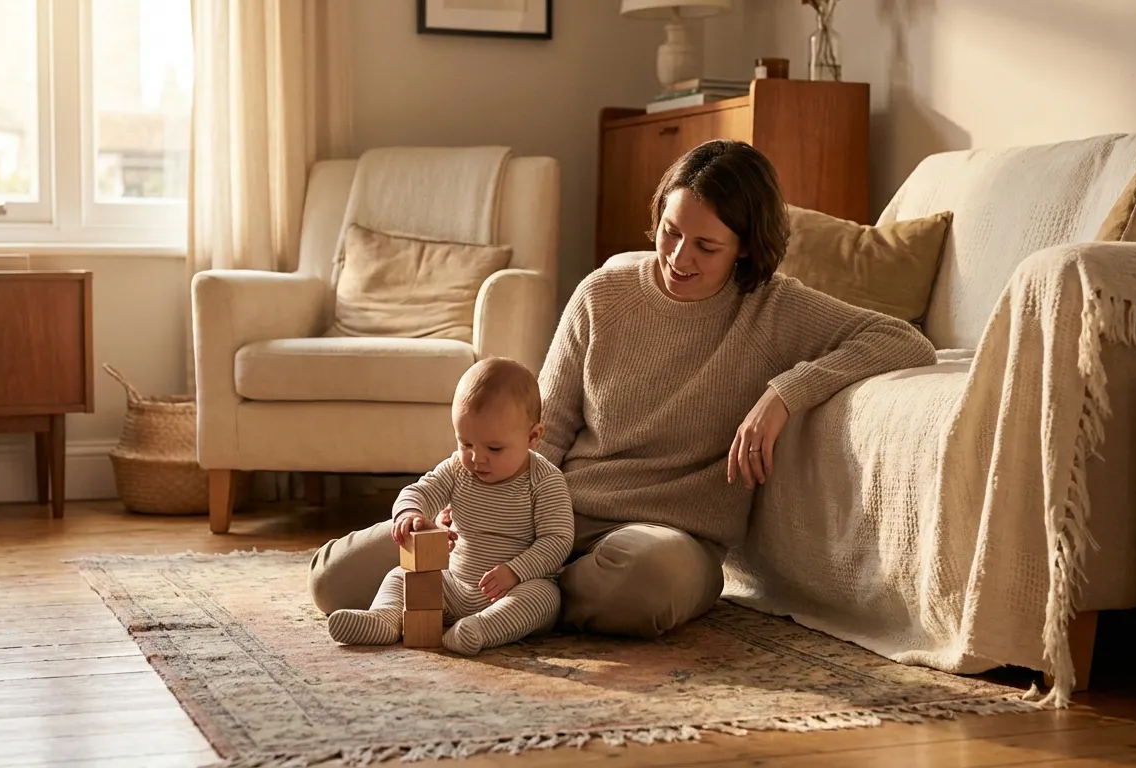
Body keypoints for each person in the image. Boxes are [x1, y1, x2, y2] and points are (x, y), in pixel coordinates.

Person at [309, 139, 937, 639]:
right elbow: (546, 426)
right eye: (670, 231)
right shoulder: (603, 293)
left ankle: (531, 598)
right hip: (556, 514)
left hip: (669, 538)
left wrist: (784, 393)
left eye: (707, 246)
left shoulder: (775, 308)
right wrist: (491, 510)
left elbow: (902, 340)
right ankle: (523, 595)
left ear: (747, 250)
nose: (678, 257)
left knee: (647, 587)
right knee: (336, 582)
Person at [325, 357, 573, 655]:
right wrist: (411, 514)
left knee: (545, 597)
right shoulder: (458, 469)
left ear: (533, 437)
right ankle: (386, 618)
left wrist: (515, 572)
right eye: (465, 443)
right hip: (452, 586)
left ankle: (481, 629)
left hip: (511, 591)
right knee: (401, 575)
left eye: (494, 448)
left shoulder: (544, 480)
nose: (476, 458)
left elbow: (557, 541)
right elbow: (419, 490)